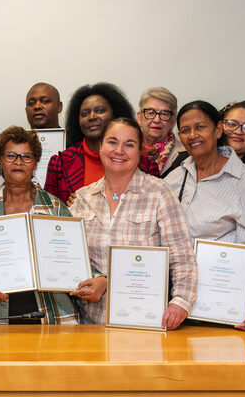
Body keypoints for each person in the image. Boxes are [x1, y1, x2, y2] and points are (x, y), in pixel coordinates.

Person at [0, 127, 102, 324]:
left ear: (36, 162)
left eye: (26, 156)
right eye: (11, 155)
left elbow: (74, 257)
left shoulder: (55, 208)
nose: (18, 162)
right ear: (0, 160)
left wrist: (98, 278)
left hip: (51, 314)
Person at [72, 118, 198, 328]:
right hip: (89, 324)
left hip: (143, 324)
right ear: (100, 147)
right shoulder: (82, 198)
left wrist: (180, 303)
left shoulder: (159, 193)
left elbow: (183, 258)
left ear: (140, 152)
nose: (119, 150)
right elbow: (72, 259)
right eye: (112, 142)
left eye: (129, 144)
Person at [164, 101, 245, 330]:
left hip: (224, 307)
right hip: (176, 304)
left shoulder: (243, 180)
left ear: (218, 129)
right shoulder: (173, 179)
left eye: (200, 127)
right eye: (185, 130)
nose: (193, 135)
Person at [44, 82, 149, 205]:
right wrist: (67, 209)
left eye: (100, 111)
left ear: (115, 115)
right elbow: (48, 213)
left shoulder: (144, 163)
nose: (92, 117)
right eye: (85, 113)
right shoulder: (59, 163)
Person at [137, 87, 185, 177]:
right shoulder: (125, 148)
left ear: (173, 122)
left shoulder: (185, 157)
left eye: (164, 113)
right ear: (139, 118)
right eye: (151, 112)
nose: (157, 120)